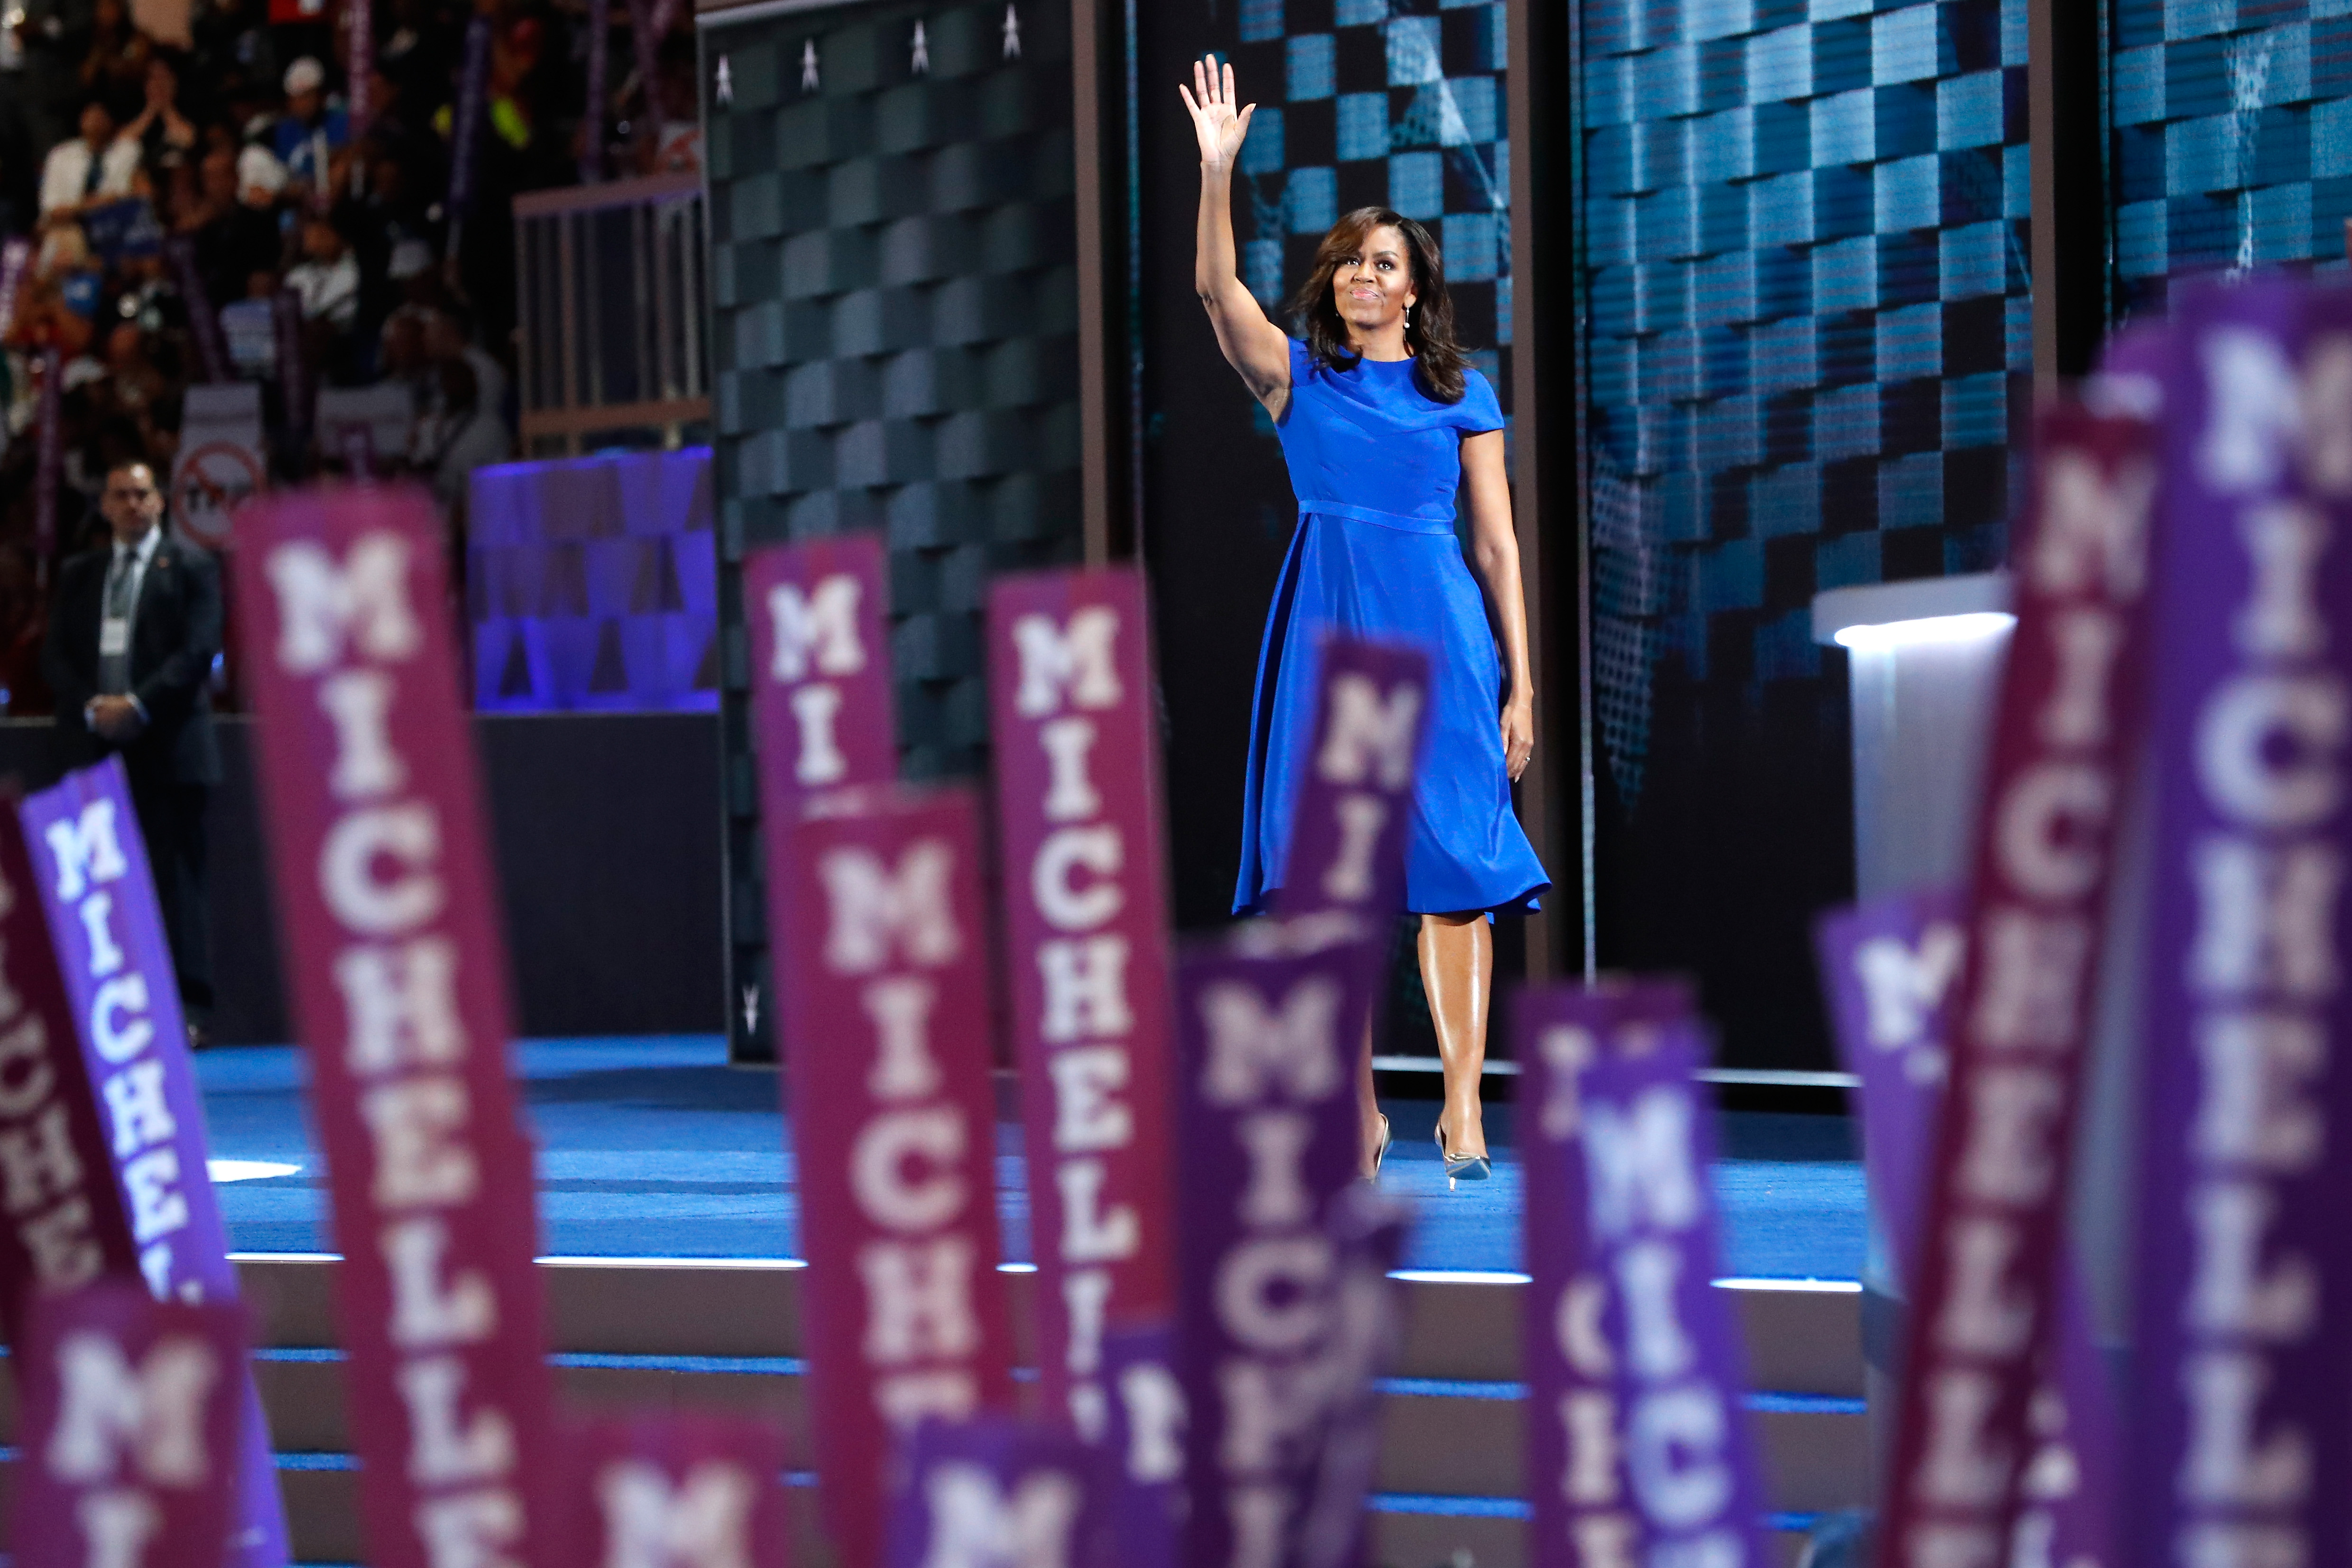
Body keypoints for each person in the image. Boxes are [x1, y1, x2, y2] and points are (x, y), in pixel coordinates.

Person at [1181, 57, 1547, 1185]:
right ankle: (1355, 1113)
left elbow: (1496, 544)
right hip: (1328, 633)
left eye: (1381, 264)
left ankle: (1461, 1111)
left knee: (1457, 872)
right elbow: (1213, 293)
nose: (1359, 275)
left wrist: (1522, 684)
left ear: (1414, 292)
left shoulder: (1460, 396)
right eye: (1347, 261)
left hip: (1440, 636)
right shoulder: (1299, 381)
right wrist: (1214, 175)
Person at [40, 459, 224, 1044]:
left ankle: (187, 1010)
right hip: (96, 746)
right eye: (119, 495)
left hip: (169, 744)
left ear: (160, 503)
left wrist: (138, 705)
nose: (131, 505)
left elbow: (198, 651)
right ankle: (105, 1016)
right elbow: (56, 655)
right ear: (104, 506)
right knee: (100, 884)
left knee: (176, 881)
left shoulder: (192, 565)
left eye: (141, 495)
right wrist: (93, 707)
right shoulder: (80, 573)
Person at [38, 97, 141, 223]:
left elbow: (135, 196)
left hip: (116, 224)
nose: (96, 120)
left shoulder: (128, 151)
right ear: (81, 119)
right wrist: (90, 206)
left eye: (101, 115)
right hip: (69, 225)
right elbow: (52, 210)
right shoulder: (61, 155)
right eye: (90, 115)